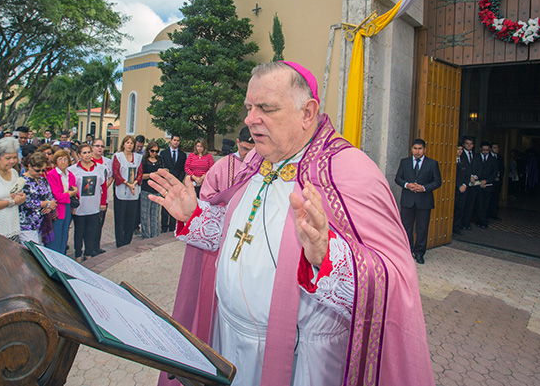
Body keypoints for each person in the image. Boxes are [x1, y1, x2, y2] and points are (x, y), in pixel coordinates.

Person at [150, 61, 433, 386]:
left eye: (266, 108)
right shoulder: (255, 162)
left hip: (300, 360)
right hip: (226, 337)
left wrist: (327, 257)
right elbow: (236, 235)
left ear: (307, 113)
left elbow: (395, 279)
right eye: (249, 107)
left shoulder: (351, 170)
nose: (250, 119)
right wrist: (195, 215)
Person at [394, 138, 442, 264]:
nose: (417, 151)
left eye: (420, 149)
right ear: (411, 149)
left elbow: (437, 182)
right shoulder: (405, 162)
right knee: (406, 227)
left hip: (424, 201)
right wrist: (406, 185)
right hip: (408, 200)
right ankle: (407, 251)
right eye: (415, 148)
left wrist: (424, 188)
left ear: (424, 150)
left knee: (422, 228)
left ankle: (419, 253)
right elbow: (398, 178)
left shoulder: (432, 163)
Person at [68, 144, 107, 261]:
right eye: (84, 153)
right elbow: (70, 188)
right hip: (80, 207)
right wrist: (72, 206)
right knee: (79, 231)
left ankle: (88, 253)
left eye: (89, 152)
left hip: (94, 206)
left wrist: (103, 202)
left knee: (92, 231)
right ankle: (78, 254)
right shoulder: (73, 170)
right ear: (79, 155)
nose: (87, 155)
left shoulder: (100, 168)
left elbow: (103, 186)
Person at [200, 126, 255, 200]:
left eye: (253, 151)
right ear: (238, 143)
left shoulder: (264, 164)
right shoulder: (221, 166)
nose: (249, 154)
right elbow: (206, 197)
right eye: (245, 149)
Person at [19, 152, 56, 245]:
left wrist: (49, 206)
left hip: (42, 224)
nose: (40, 173)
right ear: (29, 166)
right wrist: (46, 204)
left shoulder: (42, 180)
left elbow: (50, 196)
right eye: (37, 170)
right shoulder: (22, 181)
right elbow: (26, 202)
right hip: (27, 225)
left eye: (43, 170)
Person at [45, 149, 78, 254]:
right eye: (60, 159)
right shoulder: (52, 174)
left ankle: (62, 255)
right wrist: (71, 193)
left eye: (65, 159)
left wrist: (72, 196)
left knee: (65, 234)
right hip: (57, 208)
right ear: (55, 162)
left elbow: (74, 192)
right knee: (56, 235)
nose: (63, 162)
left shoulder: (70, 175)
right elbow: (58, 196)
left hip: (67, 207)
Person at [112, 136, 142, 248]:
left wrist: (134, 183)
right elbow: (116, 173)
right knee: (120, 218)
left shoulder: (138, 157)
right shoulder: (118, 156)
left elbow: (140, 172)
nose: (129, 145)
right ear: (123, 144)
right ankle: (120, 243)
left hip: (133, 191)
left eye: (131, 143)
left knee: (131, 218)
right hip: (122, 190)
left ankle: (127, 242)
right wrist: (127, 183)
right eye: (127, 142)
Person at [159, 135, 186, 232]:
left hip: (177, 183)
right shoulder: (163, 153)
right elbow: (161, 167)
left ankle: (172, 226)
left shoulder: (182, 155)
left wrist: (179, 181)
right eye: (174, 140)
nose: (176, 142)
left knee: (175, 204)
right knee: (165, 204)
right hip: (166, 183)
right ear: (171, 141)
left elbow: (183, 170)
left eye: (178, 141)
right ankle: (163, 226)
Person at [90, 139, 112, 253]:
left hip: (104, 197)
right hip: (91, 198)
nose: (100, 148)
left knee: (100, 223)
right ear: (92, 147)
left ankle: (96, 246)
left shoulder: (107, 161)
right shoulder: (88, 160)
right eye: (97, 146)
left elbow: (111, 176)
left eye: (102, 146)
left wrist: (105, 186)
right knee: (91, 224)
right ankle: (89, 248)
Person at [139, 141, 163, 239]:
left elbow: (163, 172)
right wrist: (153, 174)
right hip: (146, 190)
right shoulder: (144, 161)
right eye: (152, 151)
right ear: (148, 150)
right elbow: (141, 176)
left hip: (157, 190)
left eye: (156, 151)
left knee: (155, 214)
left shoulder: (160, 160)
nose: (154, 153)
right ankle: (145, 235)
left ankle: (155, 234)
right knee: (145, 214)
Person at [471, 141, 498, 229]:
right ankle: (478, 219)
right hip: (477, 184)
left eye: (487, 150)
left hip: (488, 185)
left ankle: (483, 220)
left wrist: (486, 181)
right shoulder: (475, 157)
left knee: (486, 204)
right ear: (480, 149)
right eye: (484, 150)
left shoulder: (493, 159)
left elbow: (494, 173)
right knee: (478, 203)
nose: (485, 152)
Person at [452, 144, 471, 235]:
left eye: (461, 149)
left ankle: (456, 226)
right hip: (454, 190)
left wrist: (464, 185)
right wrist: (458, 186)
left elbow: (468, 174)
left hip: (463, 189)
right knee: (453, 208)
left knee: (460, 208)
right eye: (458, 149)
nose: (459, 151)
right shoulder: (451, 160)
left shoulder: (464, 160)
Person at [460, 136, 477, 231]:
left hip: (473, 185)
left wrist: (475, 176)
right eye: (467, 143)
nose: (469, 145)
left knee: (470, 205)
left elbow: (479, 168)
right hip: (463, 184)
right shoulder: (461, 155)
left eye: (471, 144)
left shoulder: (476, 156)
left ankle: (467, 223)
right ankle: (460, 224)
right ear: (464, 145)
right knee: (462, 205)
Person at [488, 142, 505, 221]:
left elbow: (502, 169)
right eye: (494, 148)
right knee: (488, 198)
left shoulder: (500, 158)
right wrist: (493, 177)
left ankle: (494, 214)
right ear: (491, 149)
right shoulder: (488, 157)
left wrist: (499, 176)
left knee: (496, 198)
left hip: (498, 182)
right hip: (490, 181)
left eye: (497, 147)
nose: (497, 149)